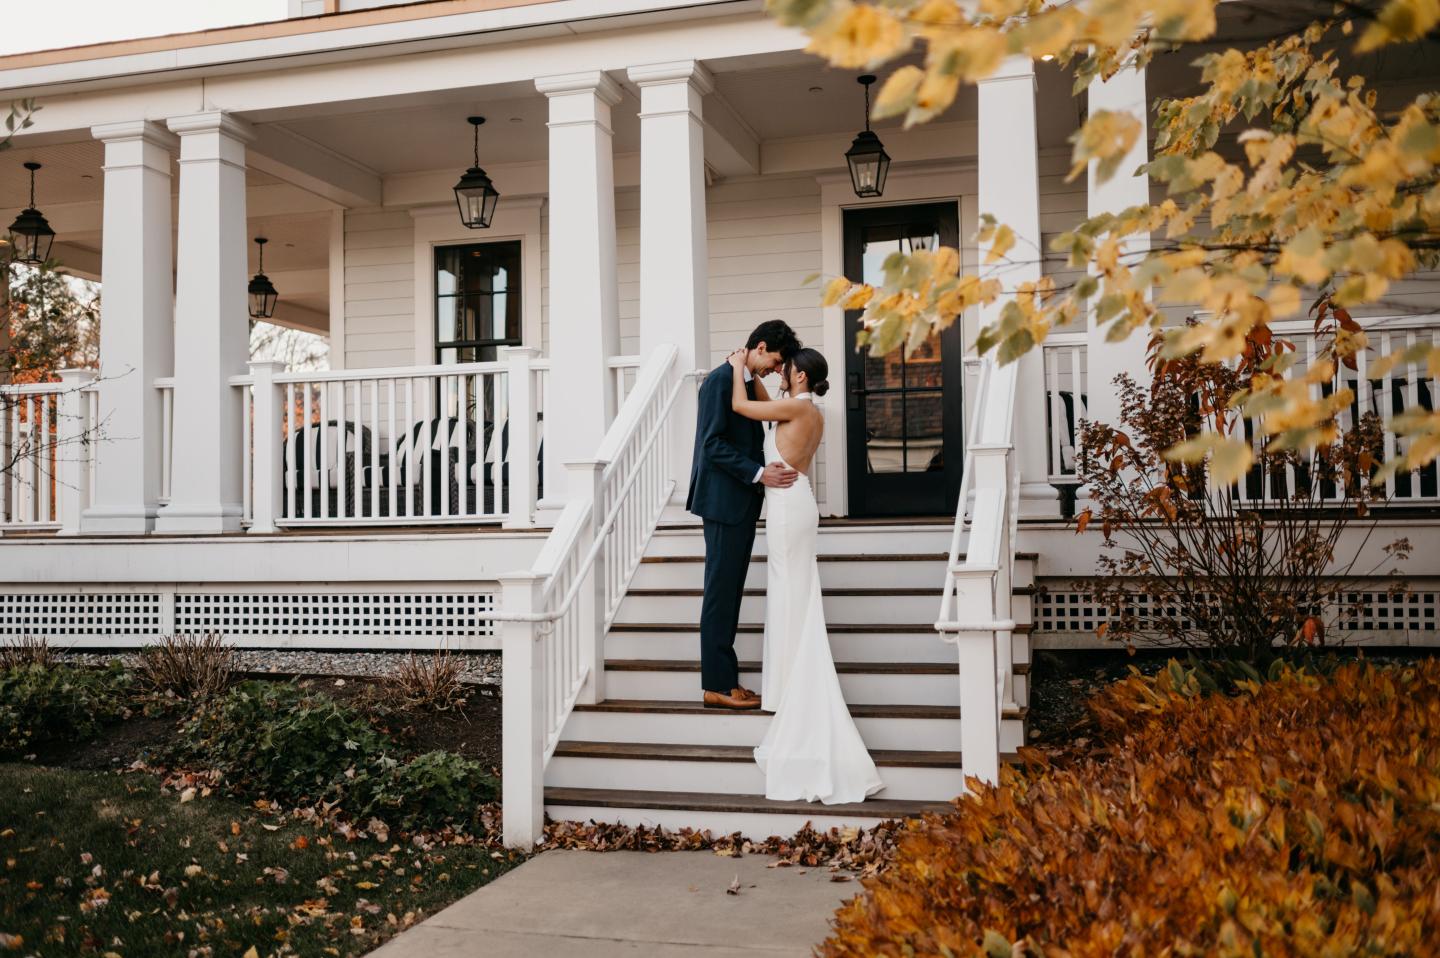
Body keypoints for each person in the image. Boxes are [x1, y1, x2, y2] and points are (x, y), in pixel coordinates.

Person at [726, 346, 884, 804]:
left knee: (791, 592)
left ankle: (795, 684)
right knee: (792, 593)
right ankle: (789, 678)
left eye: (785, 368)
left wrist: (738, 367)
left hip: (787, 511)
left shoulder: (795, 406)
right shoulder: (808, 408)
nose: (780, 373)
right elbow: (764, 404)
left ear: (798, 375)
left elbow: (742, 406)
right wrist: (759, 377)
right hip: (796, 505)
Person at [686, 320, 800, 711]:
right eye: (775, 360)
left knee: (730, 591)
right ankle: (717, 684)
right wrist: (758, 473)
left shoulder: (743, 379)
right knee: (721, 593)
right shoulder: (721, 381)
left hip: (739, 503)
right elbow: (712, 444)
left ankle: (725, 679)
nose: (775, 368)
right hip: (723, 502)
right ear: (761, 346)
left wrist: (746, 371)